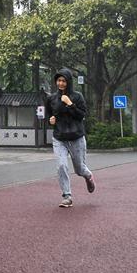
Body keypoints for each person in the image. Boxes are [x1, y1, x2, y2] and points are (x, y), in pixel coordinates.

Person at [44, 68, 95, 208]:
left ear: (69, 82)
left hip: (76, 137)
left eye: (64, 81)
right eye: (59, 81)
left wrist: (70, 103)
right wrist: (50, 121)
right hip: (59, 137)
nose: (61, 83)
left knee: (79, 170)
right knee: (61, 166)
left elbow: (81, 115)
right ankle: (67, 196)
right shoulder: (51, 99)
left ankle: (88, 176)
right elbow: (48, 116)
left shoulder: (77, 96)